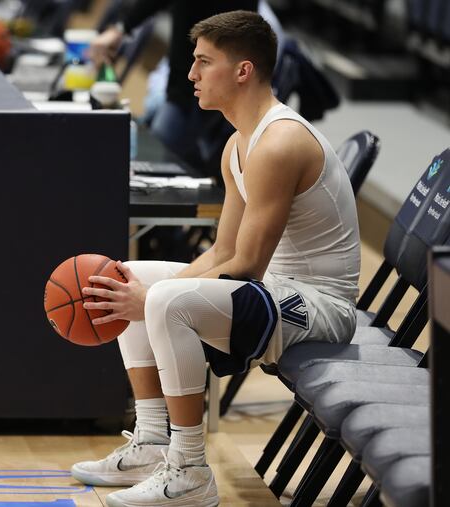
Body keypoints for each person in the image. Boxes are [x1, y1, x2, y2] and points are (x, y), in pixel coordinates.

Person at [72, 10, 360, 507]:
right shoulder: (237, 144)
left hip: (320, 307)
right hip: (277, 289)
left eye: (204, 62)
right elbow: (223, 251)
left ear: (243, 71)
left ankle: (188, 471)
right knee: (129, 277)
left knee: (163, 300)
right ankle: (151, 441)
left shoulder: (280, 141)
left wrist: (158, 299)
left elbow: (246, 263)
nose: (191, 75)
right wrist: (148, 293)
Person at [89, 0, 259, 178]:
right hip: (189, 85)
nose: (193, 73)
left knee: (156, 163)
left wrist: (122, 27)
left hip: (202, 90)